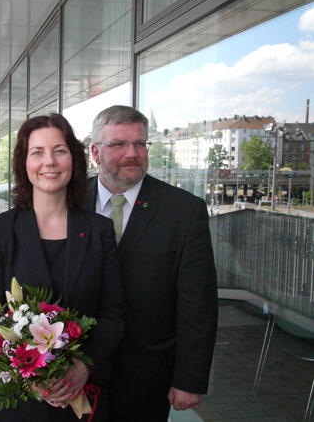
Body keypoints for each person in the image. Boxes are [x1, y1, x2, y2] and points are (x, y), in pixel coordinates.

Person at [0, 114, 124, 422]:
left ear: (73, 158)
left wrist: (85, 364)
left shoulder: (99, 230)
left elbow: (113, 313)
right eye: (37, 152)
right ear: (24, 162)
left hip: (84, 398)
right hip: (21, 403)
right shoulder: (0, 231)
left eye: (59, 150)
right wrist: (32, 377)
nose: (50, 162)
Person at [86, 105, 218, 421]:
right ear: (95, 152)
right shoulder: (67, 202)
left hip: (147, 380)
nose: (133, 153)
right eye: (118, 144)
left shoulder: (184, 211)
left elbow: (197, 304)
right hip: (76, 372)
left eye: (140, 144)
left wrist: (189, 379)